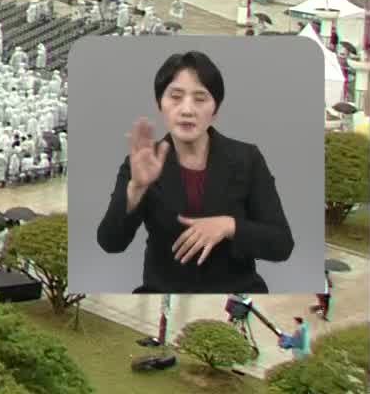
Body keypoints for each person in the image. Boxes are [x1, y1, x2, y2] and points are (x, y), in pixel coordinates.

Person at [97, 51, 294, 293]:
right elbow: (110, 242)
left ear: (216, 109)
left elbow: (281, 244)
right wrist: (136, 188)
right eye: (176, 97)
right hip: (164, 291)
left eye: (200, 98)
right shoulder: (141, 162)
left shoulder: (247, 159)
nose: (187, 110)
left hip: (234, 290)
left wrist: (229, 226)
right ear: (160, 104)